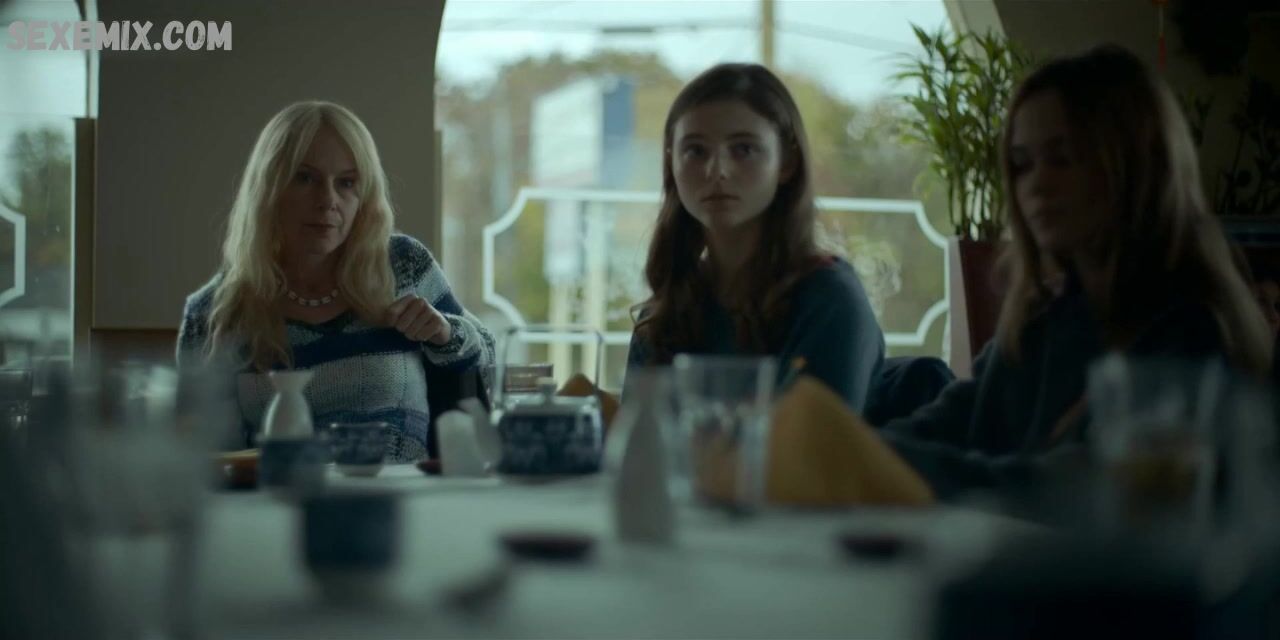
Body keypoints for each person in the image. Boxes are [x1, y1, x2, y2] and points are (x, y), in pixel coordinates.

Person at [880, 45, 1273, 501]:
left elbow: (1071, 490)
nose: (1036, 184)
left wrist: (892, 465)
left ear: (1134, 164)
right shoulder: (1041, 323)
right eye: (1022, 164)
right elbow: (942, 426)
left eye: (1063, 158)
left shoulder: (1191, 333)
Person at [177, 101, 495, 461]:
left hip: (405, 491)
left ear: (365, 196)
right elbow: (201, 457)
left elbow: (487, 357)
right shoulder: (215, 312)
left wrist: (445, 333)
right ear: (269, 189)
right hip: (281, 495)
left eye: (346, 183)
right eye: (305, 178)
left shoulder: (402, 265)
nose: (327, 200)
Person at [624, 63, 885, 412]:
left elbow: (808, 442)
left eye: (743, 149)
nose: (717, 171)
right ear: (672, 163)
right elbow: (638, 439)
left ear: (786, 162)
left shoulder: (828, 299)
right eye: (695, 151)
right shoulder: (665, 311)